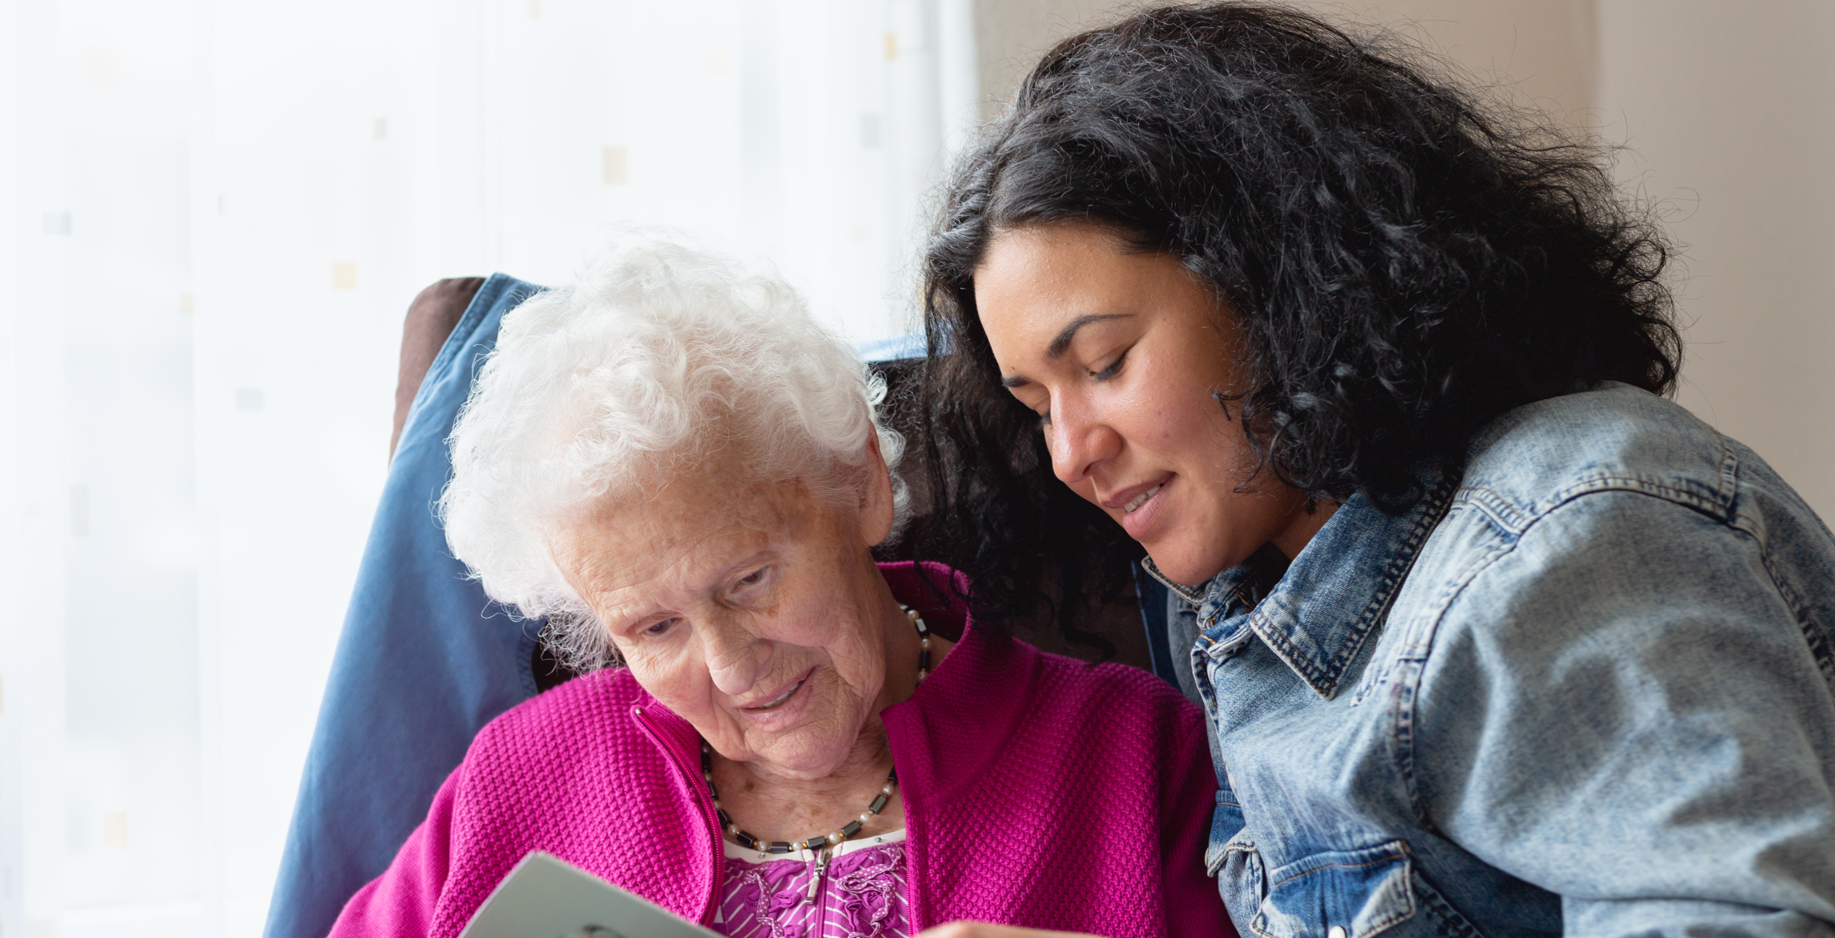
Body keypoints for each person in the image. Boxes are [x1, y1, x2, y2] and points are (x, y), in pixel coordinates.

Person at [913, 4, 1835, 937]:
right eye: (1036, 408)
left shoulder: (1560, 546)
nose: (1072, 453)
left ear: (1272, 281)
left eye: (1105, 363)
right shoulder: (1248, 591)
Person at [326, 234, 1236, 938]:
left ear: (861, 483)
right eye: (652, 628)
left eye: (750, 579)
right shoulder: (522, 778)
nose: (728, 667)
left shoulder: (1132, 756)